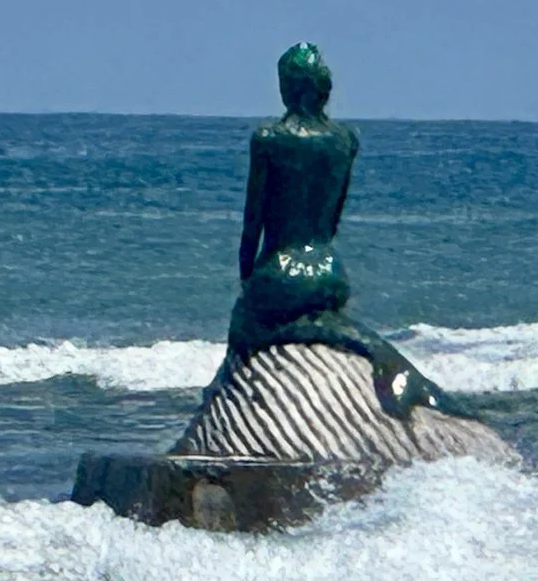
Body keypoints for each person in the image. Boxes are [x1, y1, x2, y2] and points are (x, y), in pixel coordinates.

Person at [173, 44, 510, 466]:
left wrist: (248, 276)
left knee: (245, 328)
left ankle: (226, 409)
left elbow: (254, 219)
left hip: (281, 269)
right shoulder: (344, 140)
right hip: (329, 270)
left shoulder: (270, 138)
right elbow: (331, 218)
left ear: (286, 88)